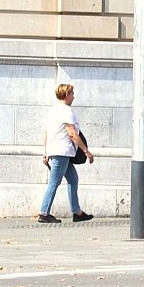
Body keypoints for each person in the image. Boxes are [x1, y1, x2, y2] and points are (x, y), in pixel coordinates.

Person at [37, 83, 93, 223]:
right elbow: (72, 134)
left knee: (73, 180)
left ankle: (77, 212)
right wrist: (86, 151)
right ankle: (43, 212)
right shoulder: (66, 111)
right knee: (54, 182)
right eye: (72, 93)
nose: (73, 96)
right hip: (62, 151)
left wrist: (45, 152)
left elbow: (46, 132)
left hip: (59, 152)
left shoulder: (53, 111)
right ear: (67, 95)